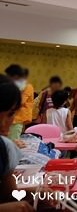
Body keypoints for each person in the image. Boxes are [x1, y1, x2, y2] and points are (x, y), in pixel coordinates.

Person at [0, 75, 32, 210]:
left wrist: (37, 192)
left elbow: (10, 194)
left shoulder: (4, 147)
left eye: (10, 113)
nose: (2, 123)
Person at [4, 65, 33, 141]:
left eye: (8, 76)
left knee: (13, 142)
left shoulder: (27, 87)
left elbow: (20, 102)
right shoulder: (13, 86)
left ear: (15, 76)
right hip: (9, 118)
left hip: (17, 119)